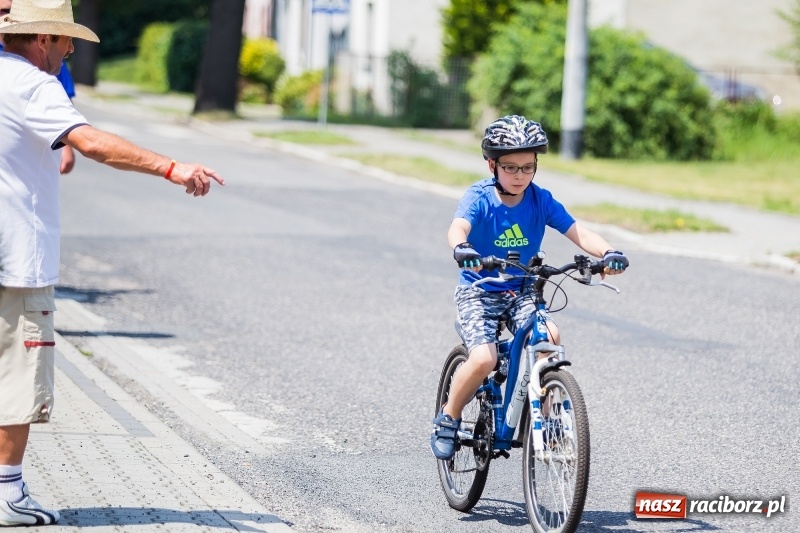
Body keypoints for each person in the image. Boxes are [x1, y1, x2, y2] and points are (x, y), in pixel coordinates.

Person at [0, 0, 225, 526]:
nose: (70, 48)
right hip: (17, 260)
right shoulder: (33, 86)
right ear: (39, 40)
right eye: (63, 39)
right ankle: (7, 494)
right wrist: (170, 167)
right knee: (15, 375)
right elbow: (94, 143)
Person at [430, 115, 629, 460]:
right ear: (492, 165)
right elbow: (458, 228)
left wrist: (607, 253)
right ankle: (448, 417)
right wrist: (462, 249)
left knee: (550, 336)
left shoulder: (540, 200)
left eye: (527, 167)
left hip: (521, 290)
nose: (520, 175)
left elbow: (578, 232)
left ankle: (549, 420)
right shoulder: (480, 197)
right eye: (510, 168)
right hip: (480, 289)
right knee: (483, 357)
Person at [0, 0, 76, 174]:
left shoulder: (53, 68)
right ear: (43, 40)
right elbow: (91, 144)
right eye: (68, 39)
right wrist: (153, 162)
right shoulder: (40, 83)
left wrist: (66, 146)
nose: (71, 48)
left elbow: (65, 99)